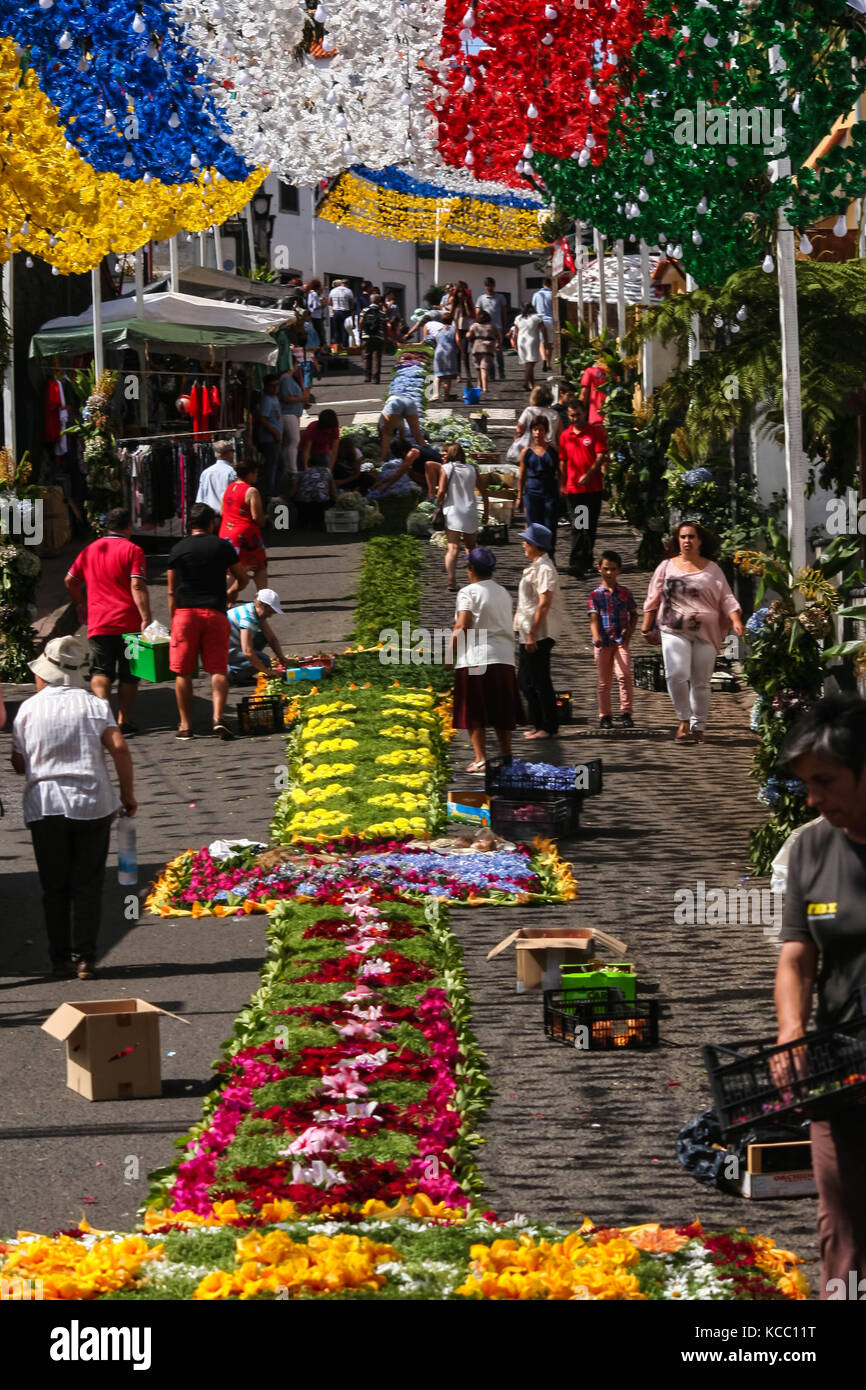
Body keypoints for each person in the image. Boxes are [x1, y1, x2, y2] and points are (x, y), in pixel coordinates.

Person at [774, 695, 866, 1298]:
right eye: (807, 784)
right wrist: (791, 1031)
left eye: (826, 781)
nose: (814, 800)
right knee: (844, 1225)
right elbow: (797, 954)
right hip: (841, 1068)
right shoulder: (811, 848)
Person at [10, 634, 135, 980]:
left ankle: (58, 959)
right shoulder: (94, 704)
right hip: (91, 803)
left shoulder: (28, 709)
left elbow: (19, 763)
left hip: (44, 805)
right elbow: (119, 749)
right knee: (88, 884)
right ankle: (85, 959)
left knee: (54, 887)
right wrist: (128, 794)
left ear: (46, 672)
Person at [641, 520, 745, 742]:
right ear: (677, 540)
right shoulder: (666, 566)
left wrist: (735, 619)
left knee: (701, 681)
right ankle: (683, 721)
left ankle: (699, 726)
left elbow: (726, 597)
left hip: (707, 632)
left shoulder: (713, 569)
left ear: (699, 541)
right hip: (673, 628)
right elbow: (653, 597)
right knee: (676, 674)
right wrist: (645, 627)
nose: (687, 541)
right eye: (683, 537)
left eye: (691, 537)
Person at [64, 506, 151, 736]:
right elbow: (137, 585)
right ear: (128, 527)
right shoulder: (133, 550)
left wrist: (79, 603)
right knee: (130, 672)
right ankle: (123, 719)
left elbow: (70, 580)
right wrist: (146, 617)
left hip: (99, 622)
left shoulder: (90, 550)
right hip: (129, 624)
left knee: (100, 671)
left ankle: (104, 717)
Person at [167, 502, 249, 740]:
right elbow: (243, 578)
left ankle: (185, 725)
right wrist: (232, 592)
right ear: (212, 523)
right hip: (215, 613)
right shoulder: (222, 546)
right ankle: (218, 718)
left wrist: (174, 619)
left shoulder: (178, 549)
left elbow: (172, 591)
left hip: (185, 614)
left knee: (182, 672)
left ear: (189, 524)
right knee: (218, 669)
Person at [452, 546, 524, 775]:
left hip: (475, 657)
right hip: (503, 657)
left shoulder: (468, 592)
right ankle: (506, 755)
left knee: (474, 711)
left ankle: (480, 759)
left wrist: (449, 654)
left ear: (471, 569)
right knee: (501, 709)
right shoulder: (503, 592)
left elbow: (462, 624)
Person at [514, 523, 564, 740]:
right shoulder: (536, 566)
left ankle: (548, 725)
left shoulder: (544, 569)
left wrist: (533, 634)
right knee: (526, 681)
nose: (523, 545)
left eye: (527, 541)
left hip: (539, 633)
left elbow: (544, 603)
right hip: (528, 630)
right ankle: (537, 722)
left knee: (539, 680)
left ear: (537, 545)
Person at [588, 550, 637, 730]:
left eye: (613, 569)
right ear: (599, 569)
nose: (609, 573)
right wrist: (596, 637)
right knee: (604, 681)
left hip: (620, 641)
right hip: (603, 644)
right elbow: (593, 618)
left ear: (619, 571)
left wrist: (629, 634)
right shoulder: (595, 595)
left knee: (624, 675)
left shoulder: (625, 593)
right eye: (606, 569)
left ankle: (626, 712)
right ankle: (605, 715)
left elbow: (634, 614)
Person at [559, 399, 607, 577]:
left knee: (589, 526)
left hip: (592, 489)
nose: (574, 419)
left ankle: (586, 559)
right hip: (575, 490)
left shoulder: (594, 432)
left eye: (577, 415)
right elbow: (563, 461)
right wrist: (563, 483)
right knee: (579, 525)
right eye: (571, 415)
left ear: (584, 413)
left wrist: (590, 473)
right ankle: (577, 561)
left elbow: (600, 455)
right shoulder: (566, 435)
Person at [435, 443, 489, 591]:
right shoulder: (472, 469)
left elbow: (440, 492)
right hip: (470, 511)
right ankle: (474, 579)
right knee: (471, 547)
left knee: (452, 548)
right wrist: (486, 512)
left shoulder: (446, 469)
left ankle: (451, 581)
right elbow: (483, 491)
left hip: (452, 511)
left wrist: (437, 504)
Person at [219, 458, 268, 590]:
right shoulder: (251, 491)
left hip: (226, 534)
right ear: (250, 474)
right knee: (260, 566)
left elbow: (222, 512)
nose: (257, 476)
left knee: (231, 570)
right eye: (256, 473)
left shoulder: (229, 488)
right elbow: (257, 518)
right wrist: (265, 519)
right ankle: (262, 599)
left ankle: (218, 598)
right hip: (246, 536)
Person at [516, 416, 560, 554]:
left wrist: (561, 487)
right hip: (532, 492)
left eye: (541, 430)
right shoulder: (526, 452)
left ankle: (549, 553)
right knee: (533, 525)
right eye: (535, 429)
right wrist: (520, 496)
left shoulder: (553, 450)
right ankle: (535, 554)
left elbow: (560, 471)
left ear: (546, 431)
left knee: (550, 524)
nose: (537, 433)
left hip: (549, 492)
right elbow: (522, 475)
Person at [227, 588, 287, 684]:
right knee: (264, 660)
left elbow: (271, 639)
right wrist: (268, 672)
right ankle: (232, 674)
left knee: (263, 636)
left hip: (231, 646)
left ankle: (241, 668)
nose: (270, 616)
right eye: (269, 612)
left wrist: (281, 657)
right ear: (261, 605)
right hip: (221, 649)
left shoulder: (254, 611)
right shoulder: (248, 617)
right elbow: (248, 652)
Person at [278, 362, 309, 477]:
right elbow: (286, 397)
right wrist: (302, 398)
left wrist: (302, 401)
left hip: (293, 413)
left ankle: (288, 468)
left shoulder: (290, 378)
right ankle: (292, 469)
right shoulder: (286, 379)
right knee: (294, 441)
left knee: (289, 442)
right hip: (288, 412)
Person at [254, 380, 283, 503]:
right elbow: (263, 419)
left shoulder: (274, 398)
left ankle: (275, 492)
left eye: (277, 385)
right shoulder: (266, 400)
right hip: (269, 440)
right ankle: (271, 494)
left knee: (279, 465)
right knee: (273, 467)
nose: (276, 388)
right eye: (273, 385)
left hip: (275, 439)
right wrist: (275, 432)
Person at [292, 452, 337, 528]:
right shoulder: (327, 471)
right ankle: (319, 521)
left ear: (309, 463)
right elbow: (333, 490)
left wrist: (291, 499)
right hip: (321, 503)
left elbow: (294, 490)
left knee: (299, 500)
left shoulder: (302, 473)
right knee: (330, 499)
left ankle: (303, 520)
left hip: (304, 503)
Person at [195, 440, 238, 518]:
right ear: (227, 453)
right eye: (232, 452)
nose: (233, 455)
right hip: (227, 516)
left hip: (208, 517)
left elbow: (200, 498)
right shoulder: (232, 472)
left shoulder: (206, 472)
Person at [476, 277, 508, 380]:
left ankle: (501, 372)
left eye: (491, 285)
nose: (490, 287)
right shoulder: (481, 298)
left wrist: (504, 326)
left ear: (494, 285)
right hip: (486, 328)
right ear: (485, 286)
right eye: (488, 285)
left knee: (498, 351)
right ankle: (491, 373)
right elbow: (478, 313)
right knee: (488, 352)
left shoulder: (500, 297)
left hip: (497, 326)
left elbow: (503, 312)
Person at [378, 394, 426, 461]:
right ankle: (428, 455)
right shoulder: (400, 422)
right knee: (417, 434)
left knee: (386, 434)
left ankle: (382, 459)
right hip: (409, 401)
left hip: (395, 403)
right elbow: (402, 435)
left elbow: (385, 435)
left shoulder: (382, 421)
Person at [510, 302, 546, 391]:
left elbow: (515, 333)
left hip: (521, 341)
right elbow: (543, 329)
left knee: (528, 363)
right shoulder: (537, 318)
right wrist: (546, 340)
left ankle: (531, 384)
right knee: (530, 364)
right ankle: (526, 382)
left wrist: (514, 343)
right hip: (532, 341)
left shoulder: (518, 318)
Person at [467, 307, 499, 396]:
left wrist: (469, 337)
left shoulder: (474, 326)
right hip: (488, 350)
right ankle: (485, 387)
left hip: (476, 349)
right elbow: (498, 336)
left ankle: (478, 385)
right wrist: (498, 343)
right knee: (484, 369)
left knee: (478, 369)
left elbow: (468, 335)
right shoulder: (492, 326)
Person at [359, 293, 388, 384]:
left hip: (366, 337)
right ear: (379, 301)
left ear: (370, 301)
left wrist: (363, 331)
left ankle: (367, 376)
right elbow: (385, 326)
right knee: (376, 357)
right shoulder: (382, 313)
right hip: (378, 337)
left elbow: (360, 322)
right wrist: (385, 338)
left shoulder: (365, 310)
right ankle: (375, 378)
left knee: (366, 356)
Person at [432, 314, 460, 401]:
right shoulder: (454, 329)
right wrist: (462, 350)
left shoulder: (439, 330)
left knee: (438, 375)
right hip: (449, 352)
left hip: (438, 352)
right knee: (448, 376)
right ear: (451, 320)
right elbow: (458, 340)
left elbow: (437, 341)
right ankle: (446, 396)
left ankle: (435, 394)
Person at [450, 281, 475, 381]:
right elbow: (451, 313)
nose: (460, 294)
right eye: (459, 292)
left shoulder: (467, 303)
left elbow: (469, 315)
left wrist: (465, 303)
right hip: (455, 329)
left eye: (462, 292)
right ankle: (458, 374)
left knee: (465, 351)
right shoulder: (453, 301)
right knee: (457, 352)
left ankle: (468, 372)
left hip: (464, 329)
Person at [532, 277, 554, 371]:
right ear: (551, 284)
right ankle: (549, 363)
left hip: (540, 320)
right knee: (549, 343)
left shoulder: (536, 295)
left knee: (542, 343)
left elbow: (533, 307)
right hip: (550, 320)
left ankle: (544, 360)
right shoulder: (552, 294)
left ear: (542, 284)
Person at [580, 355, 610, 426]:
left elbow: (583, 395)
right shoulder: (616, 372)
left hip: (595, 418)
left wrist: (580, 415)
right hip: (613, 418)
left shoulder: (590, 371)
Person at [328, 278, 355, 349]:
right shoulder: (349, 291)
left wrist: (334, 307)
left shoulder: (333, 291)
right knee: (345, 330)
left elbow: (330, 302)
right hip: (345, 312)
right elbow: (351, 302)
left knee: (336, 330)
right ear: (347, 284)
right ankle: (344, 346)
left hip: (336, 311)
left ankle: (336, 346)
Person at [305, 278, 325, 344]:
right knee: (319, 333)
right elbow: (315, 306)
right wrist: (323, 305)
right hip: (316, 316)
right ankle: (321, 348)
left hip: (312, 316)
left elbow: (310, 305)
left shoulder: (310, 293)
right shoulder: (314, 294)